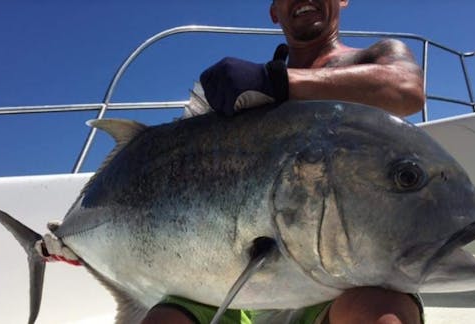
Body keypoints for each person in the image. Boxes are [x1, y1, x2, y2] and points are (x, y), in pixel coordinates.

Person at [143, 0, 425, 323]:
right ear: (275, 12)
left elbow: (406, 88)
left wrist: (277, 83)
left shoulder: (377, 56)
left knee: (381, 316)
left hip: (349, 276)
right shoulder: (247, 96)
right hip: (242, 281)